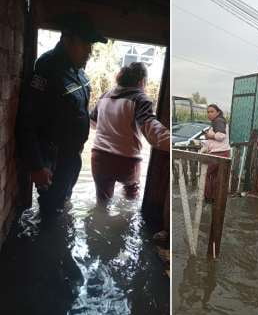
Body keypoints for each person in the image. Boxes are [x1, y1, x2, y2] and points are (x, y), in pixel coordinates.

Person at [16, 13, 107, 217]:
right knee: (50, 212)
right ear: (67, 40)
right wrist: (38, 166)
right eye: (85, 45)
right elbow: (27, 122)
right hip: (52, 161)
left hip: (71, 158)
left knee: (63, 202)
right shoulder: (47, 69)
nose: (90, 52)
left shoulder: (79, 72)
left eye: (91, 46)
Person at [89, 62, 169, 205]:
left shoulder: (104, 96)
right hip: (127, 162)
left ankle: (100, 222)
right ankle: (128, 222)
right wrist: (172, 142)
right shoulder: (140, 98)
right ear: (142, 81)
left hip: (99, 159)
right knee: (131, 195)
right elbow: (150, 128)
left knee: (102, 203)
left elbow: (93, 123)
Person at [201, 104, 231, 203]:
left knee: (206, 174)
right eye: (208, 112)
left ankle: (207, 197)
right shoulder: (218, 121)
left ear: (218, 112)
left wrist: (210, 135)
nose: (209, 114)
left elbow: (221, 136)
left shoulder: (218, 120)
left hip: (218, 154)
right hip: (223, 152)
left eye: (212, 111)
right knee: (214, 177)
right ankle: (213, 198)